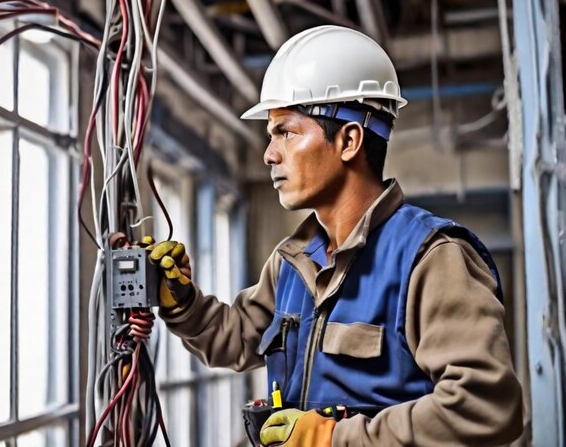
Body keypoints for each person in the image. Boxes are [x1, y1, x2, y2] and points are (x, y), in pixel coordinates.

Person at [149, 25, 523, 446]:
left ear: (348, 140)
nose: (269, 154)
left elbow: (486, 406)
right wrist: (182, 303)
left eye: (286, 132)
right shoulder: (294, 262)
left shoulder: (431, 259)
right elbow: (235, 338)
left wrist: (332, 440)